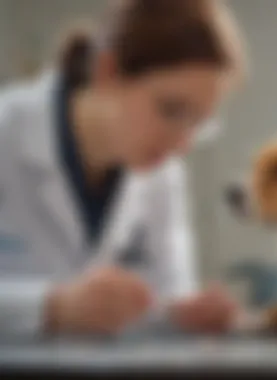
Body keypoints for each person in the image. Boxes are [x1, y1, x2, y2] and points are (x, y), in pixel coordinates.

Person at [0, 0, 246, 337]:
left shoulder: (161, 171)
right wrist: (49, 308)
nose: (182, 144)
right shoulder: (7, 130)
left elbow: (170, 295)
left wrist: (183, 316)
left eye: (198, 124)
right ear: (108, 72)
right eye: (172, 110)